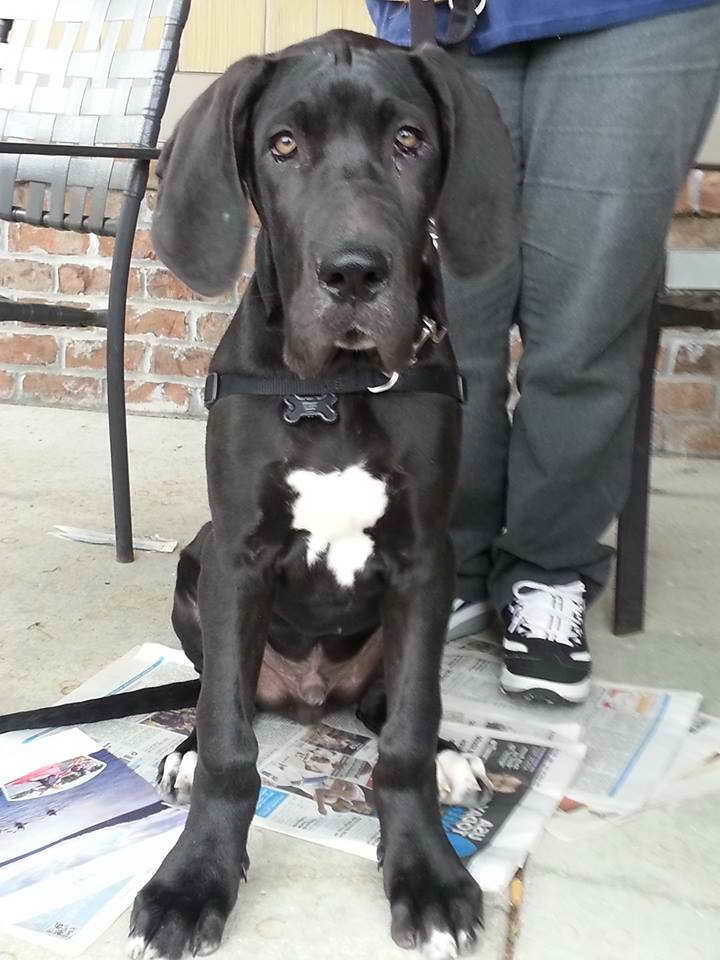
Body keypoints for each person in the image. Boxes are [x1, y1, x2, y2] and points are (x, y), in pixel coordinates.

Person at [366, 0, 720, 703]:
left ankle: (549, 567)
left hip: (638, 17)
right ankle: (448, 560)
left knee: (588, 324)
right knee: (445, 330)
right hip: (443, 20)